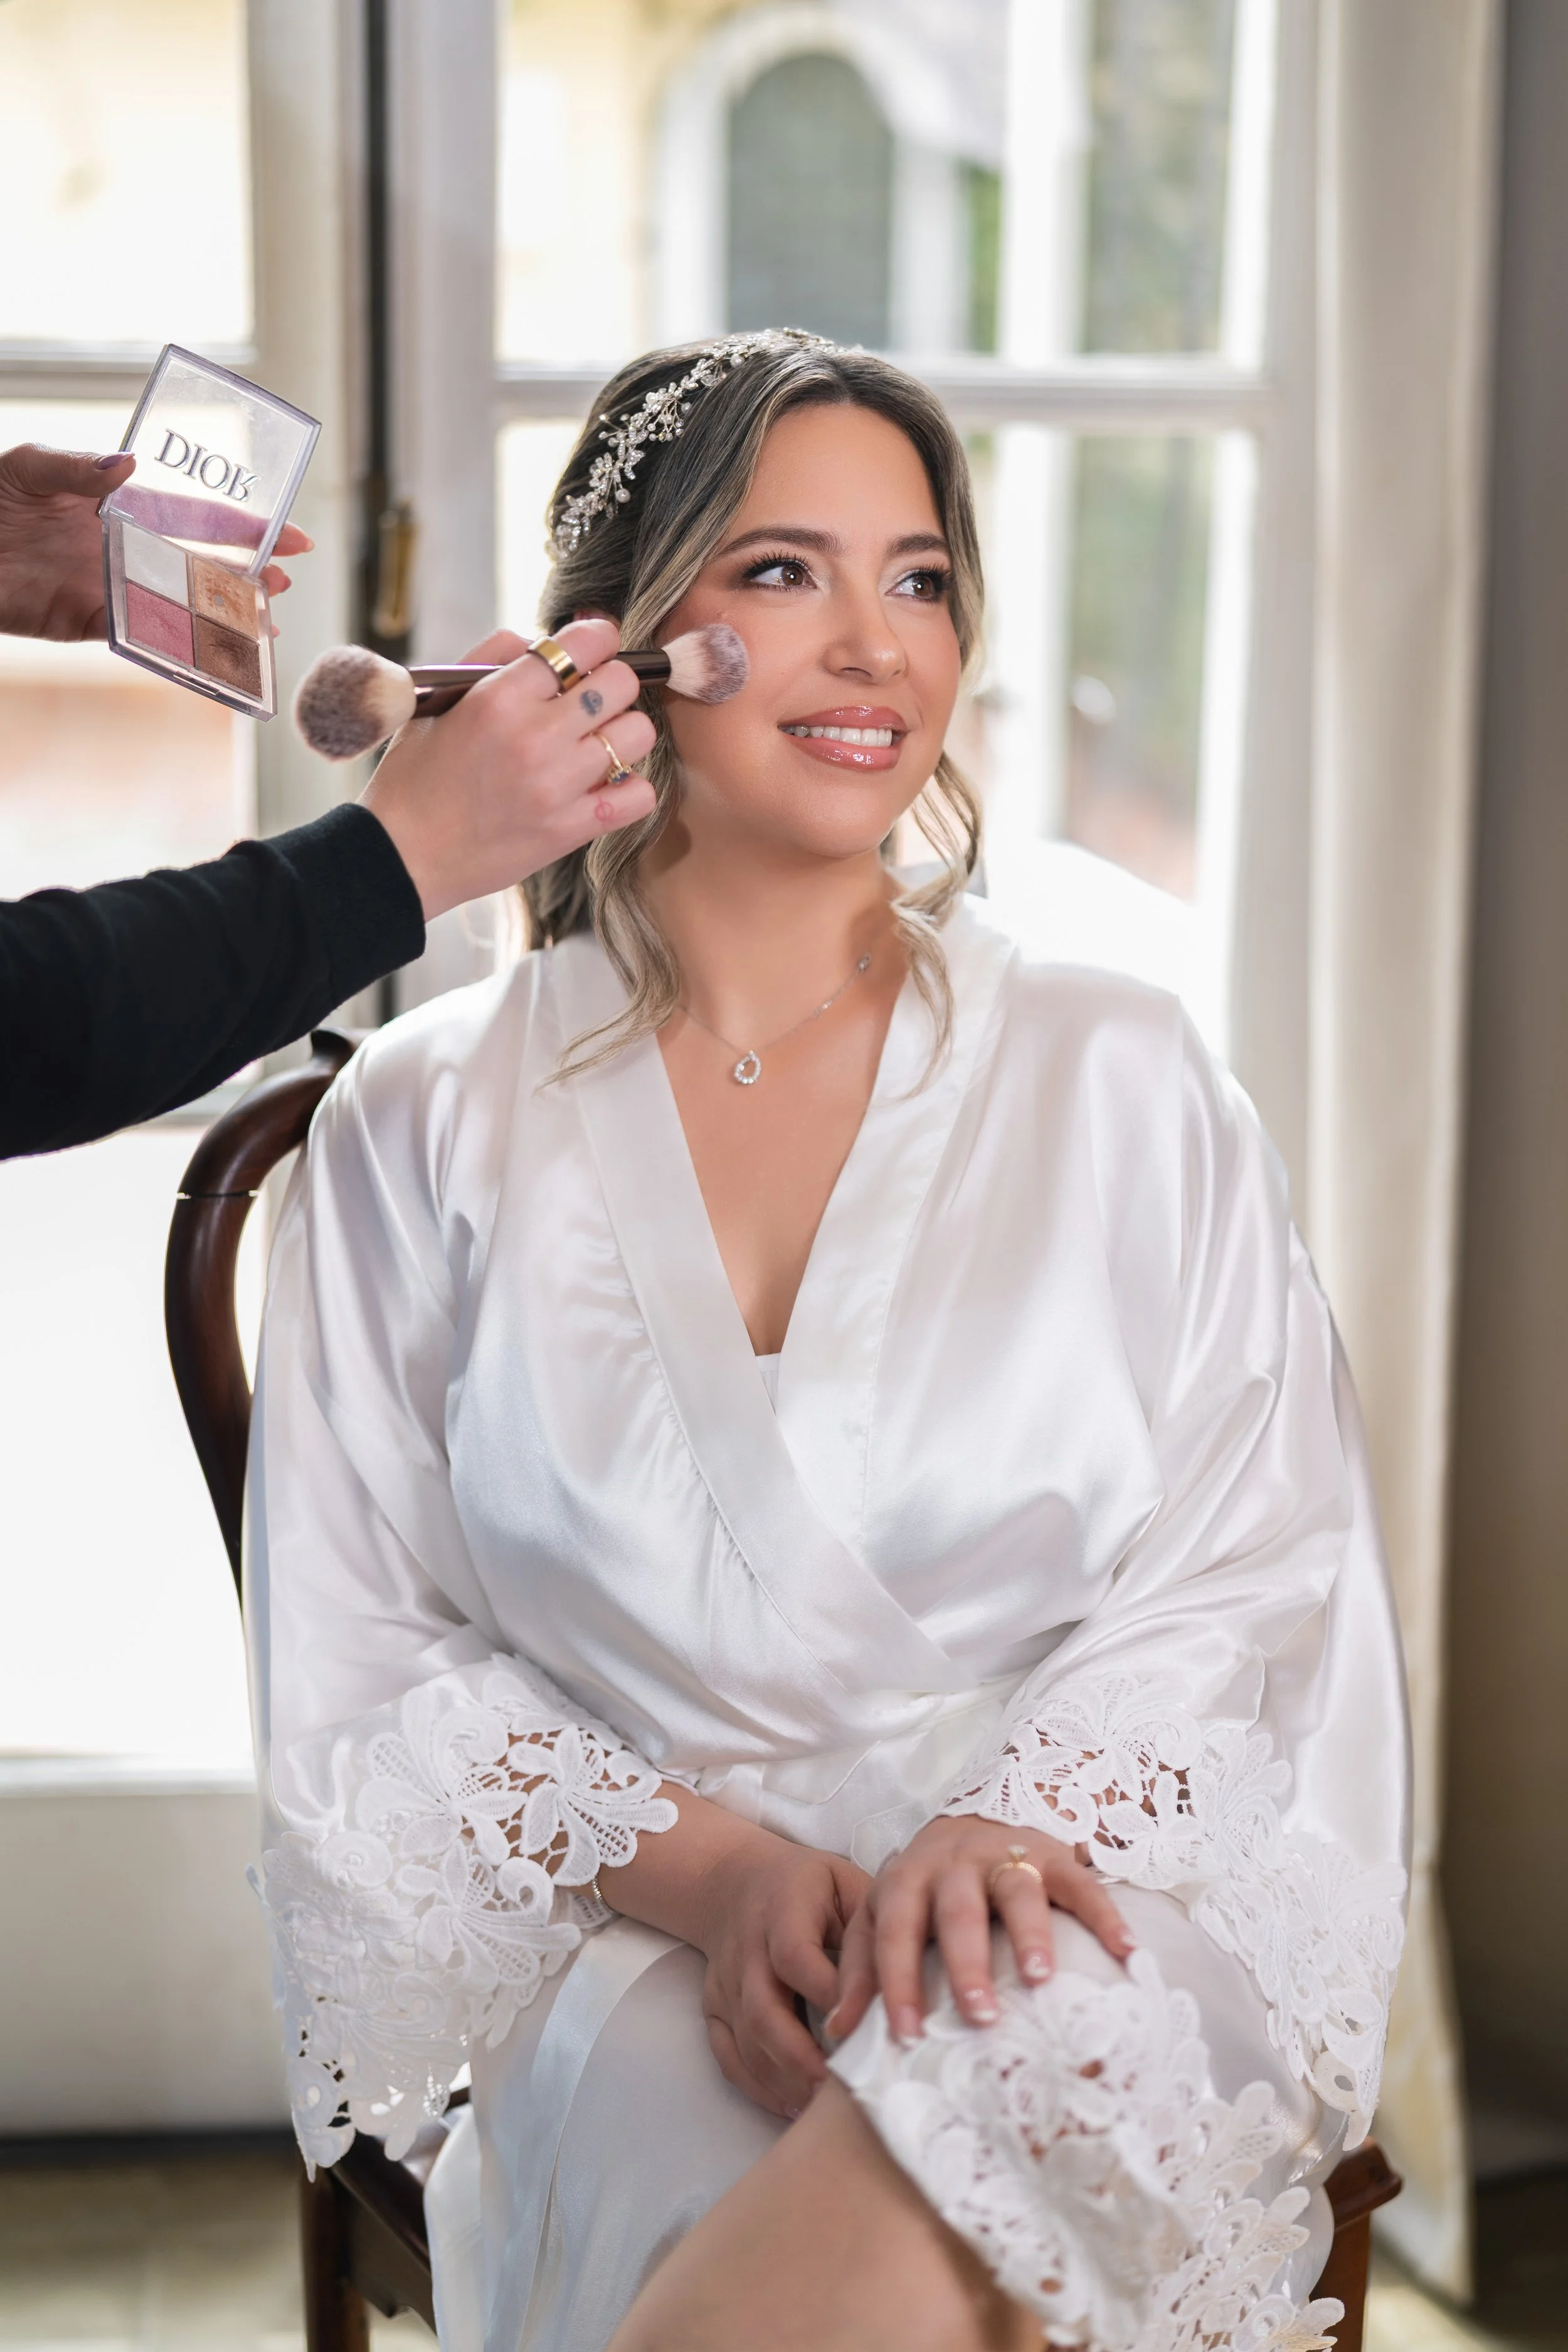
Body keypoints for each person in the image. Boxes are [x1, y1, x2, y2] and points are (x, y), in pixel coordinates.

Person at [246, 333, 1409, 2352]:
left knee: (997, 2081)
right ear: (612, 646)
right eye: (782, 572)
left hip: (1079, 1890)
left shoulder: (1119, 1071)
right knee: (723, 2178)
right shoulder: (421, 1123)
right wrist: (705, 1874)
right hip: (639, 1940)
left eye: (921, 578)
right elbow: (361, 1652)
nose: (871, 644)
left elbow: (1254, 1550)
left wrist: (1007, 1824)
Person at [0, 442, 655, 1157]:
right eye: (775, 572)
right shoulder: (426, 1110)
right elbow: (36, 1026)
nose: (807, 647)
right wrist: (399, 851)